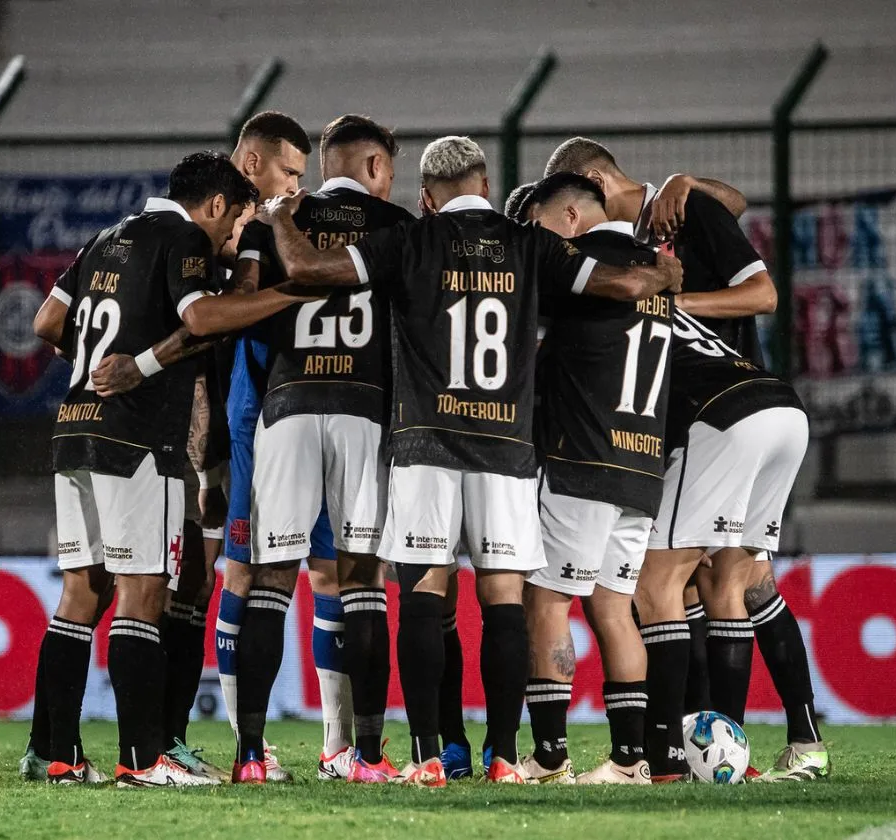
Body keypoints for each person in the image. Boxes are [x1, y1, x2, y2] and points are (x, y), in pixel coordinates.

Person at [250, 135, 683, 786]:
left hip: (426, 441)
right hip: (504, 447)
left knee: (424, 593)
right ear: (485, 185)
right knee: (505, 596)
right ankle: (506, 757)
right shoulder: (528, 243)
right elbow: (621, 283)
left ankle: (427, 756)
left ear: (426, 198)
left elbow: (312, 273)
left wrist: (280, 216)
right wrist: (663, 276)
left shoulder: (411, 240)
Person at [546, 138, 826, 781]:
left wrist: (658, 301)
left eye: (576, 205)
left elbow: (761, 294)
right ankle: (783, 745)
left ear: (591, 183)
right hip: (766, 410)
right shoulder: (643, 237)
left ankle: (666, 754)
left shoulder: (668, 223)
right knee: (736, 582)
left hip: (719, 415)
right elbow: (731, 200)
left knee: (654, 583)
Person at [28, 150, 308, 787]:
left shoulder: (105, 237)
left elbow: (47, 321)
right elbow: (202, 318)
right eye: (232, 220)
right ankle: (142, 759)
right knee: (144, 591)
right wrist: (286, 292)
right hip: (138, 440)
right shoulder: (183, 236)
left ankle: (57, 755)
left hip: (74, 431)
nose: (229, 237)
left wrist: (98, 360)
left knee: (79, 593)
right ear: (214, 206)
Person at [229, 115, 413, 784]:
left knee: (272, 579)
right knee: (362, 581)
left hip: (286, 404)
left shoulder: (270, 220)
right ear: (371, 169)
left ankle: (249, 757)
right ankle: (364, 756)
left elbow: (242, 306)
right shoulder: (397, 229)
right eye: (388, 169)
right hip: (364, 410)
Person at [508, 172, 672, 785]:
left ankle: (549, 755)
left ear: (570, 217)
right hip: (641, 464)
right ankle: (630, 759)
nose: (538, 245)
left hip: (583, 459)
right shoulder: (657, 273)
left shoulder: (581, 266)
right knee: (613, 606)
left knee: (546, 599)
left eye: (540, 230)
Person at [213, 111, 344, 782]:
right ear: (254, 162)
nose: (300, 184)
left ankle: (337, 747)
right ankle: (250, 746)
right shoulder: (230, 225)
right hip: (252, 417)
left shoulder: (280, 224)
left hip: (305, 415)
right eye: (291, 170)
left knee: (328, 572)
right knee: (245, 572)